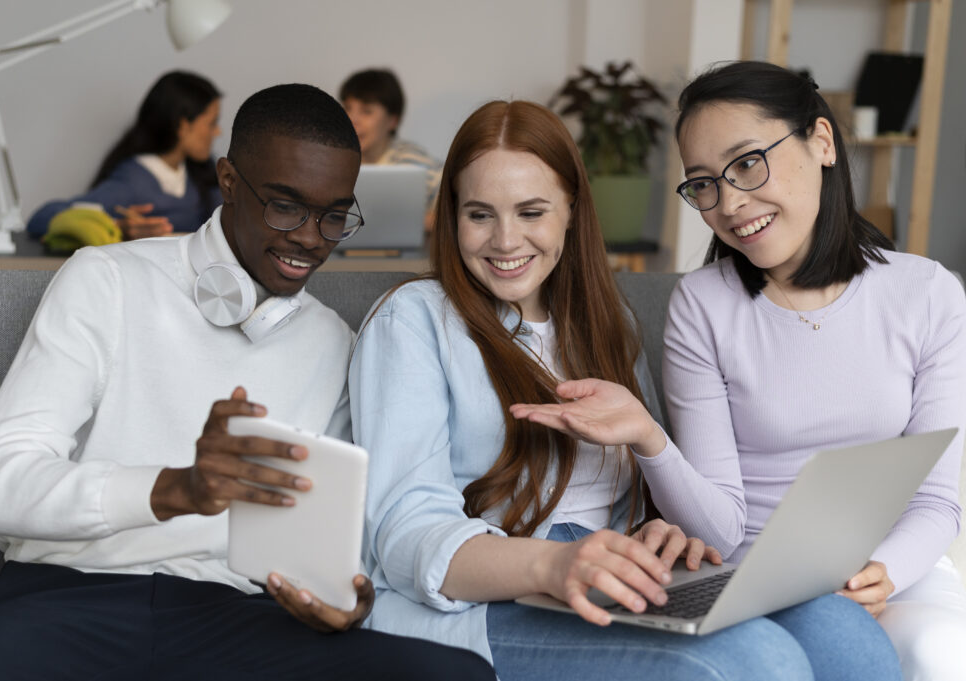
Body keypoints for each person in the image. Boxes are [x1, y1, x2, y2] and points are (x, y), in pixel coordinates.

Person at [0, 83, 494, 681]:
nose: (312, 238)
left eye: (334, 216)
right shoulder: (106, 280)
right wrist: (175, 489)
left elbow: (333, 538)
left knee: (453, 674)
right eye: (286, 207)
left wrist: (347, 599)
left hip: (239, 620)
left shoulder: (332, 341)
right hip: (65, 601)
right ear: (228, 180)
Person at [348, 98, 902, 681]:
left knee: (845, 634)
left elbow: (631, 497)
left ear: (571, 209)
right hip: (482, 604)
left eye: (532, 212)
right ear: (452, 214)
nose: (505, 240)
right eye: (480, 214)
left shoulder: (605, 321)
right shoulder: (413, 320)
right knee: (755, 659)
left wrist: (654, 530)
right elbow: (405, 533)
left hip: (610, 575)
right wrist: (553, 563)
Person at [512, 61, 966, 681]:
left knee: (940, 654)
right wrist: (650, 437)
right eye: (703, 184)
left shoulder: (927, 293)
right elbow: (720, 528)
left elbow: (938, 498)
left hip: (899, 571)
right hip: (760, 583)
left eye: (748, 163)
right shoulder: (703, 305)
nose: (729, 203)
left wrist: (878, 572)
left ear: (822, 142)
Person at [26, 70, 224, 241]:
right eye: (211, 123)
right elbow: (41, 219)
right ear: (183, 125)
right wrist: (115, 225)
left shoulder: (202, 172)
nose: (217, 132)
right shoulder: (133, 182)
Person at [339, 68, 441, 222]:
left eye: (366, 111)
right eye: (347, 108)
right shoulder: (334, 163)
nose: (352, 119)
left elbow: (451, 215)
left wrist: (412, 224)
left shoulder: (412, 162)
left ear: (393, 120)